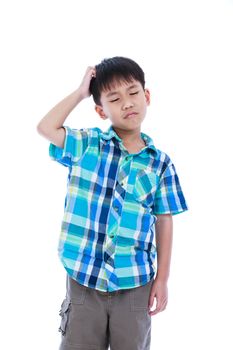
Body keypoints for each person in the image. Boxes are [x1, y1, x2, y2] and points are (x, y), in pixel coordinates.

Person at [37, 56, 188, 350]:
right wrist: (81, 92)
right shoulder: (87, 145)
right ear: (100, 110)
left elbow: (164, 220)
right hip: (83, 278)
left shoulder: (160, 164)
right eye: (114, 98)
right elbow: (45, 127)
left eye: (133, 93)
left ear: (146, 96)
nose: (127, 103)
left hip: (135, 281)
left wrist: (163, 278)